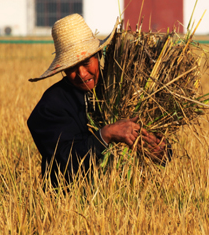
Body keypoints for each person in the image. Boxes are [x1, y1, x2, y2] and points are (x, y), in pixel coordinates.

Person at [27, 14, 169, 187]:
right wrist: (106, 134)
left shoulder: (127, 89)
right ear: (62, 70)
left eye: (86, 63)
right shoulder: (50, 107)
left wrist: (160, 150)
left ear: (98, 55)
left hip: (131, 199)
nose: (82, 74)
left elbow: (162, 148)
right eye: (71, 68)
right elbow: (64, 162)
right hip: (72, 204)